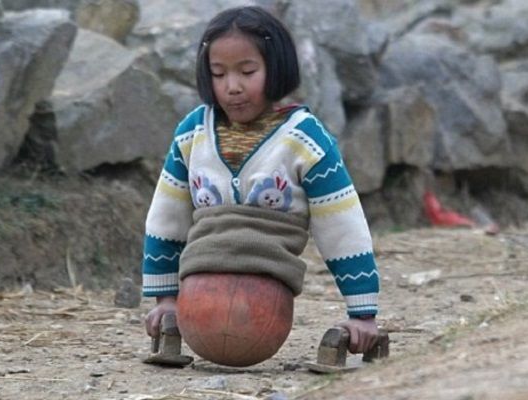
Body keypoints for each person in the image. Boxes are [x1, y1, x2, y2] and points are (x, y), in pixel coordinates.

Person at [141, 5, 380, 357]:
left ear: (277, 66)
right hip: (197, 296)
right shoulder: (192, 134)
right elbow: (166, 216)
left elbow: (342, 226)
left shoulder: (305, 141)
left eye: (247, 71)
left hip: (265, 304)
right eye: (218, 73)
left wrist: (362, 315)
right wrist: (165, 300)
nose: (232, 87)